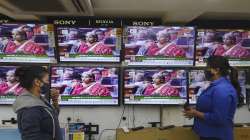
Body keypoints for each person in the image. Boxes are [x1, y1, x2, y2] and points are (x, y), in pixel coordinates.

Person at [183, 56, 244, 140]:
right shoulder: (215, 86)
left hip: (217, 137)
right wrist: (195, 110)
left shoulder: (222, 89)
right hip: (209, 135)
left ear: (216, 70)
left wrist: (196, 113)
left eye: (207, 67)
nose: (205, 70)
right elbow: (212, 107)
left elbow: (218, 118)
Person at [13, 66, 62, 140]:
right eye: (47, 80)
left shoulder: (39, 100)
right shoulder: (30, 108)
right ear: (37, 82)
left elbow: (51, 116)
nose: (49, 83)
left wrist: (55, 101)